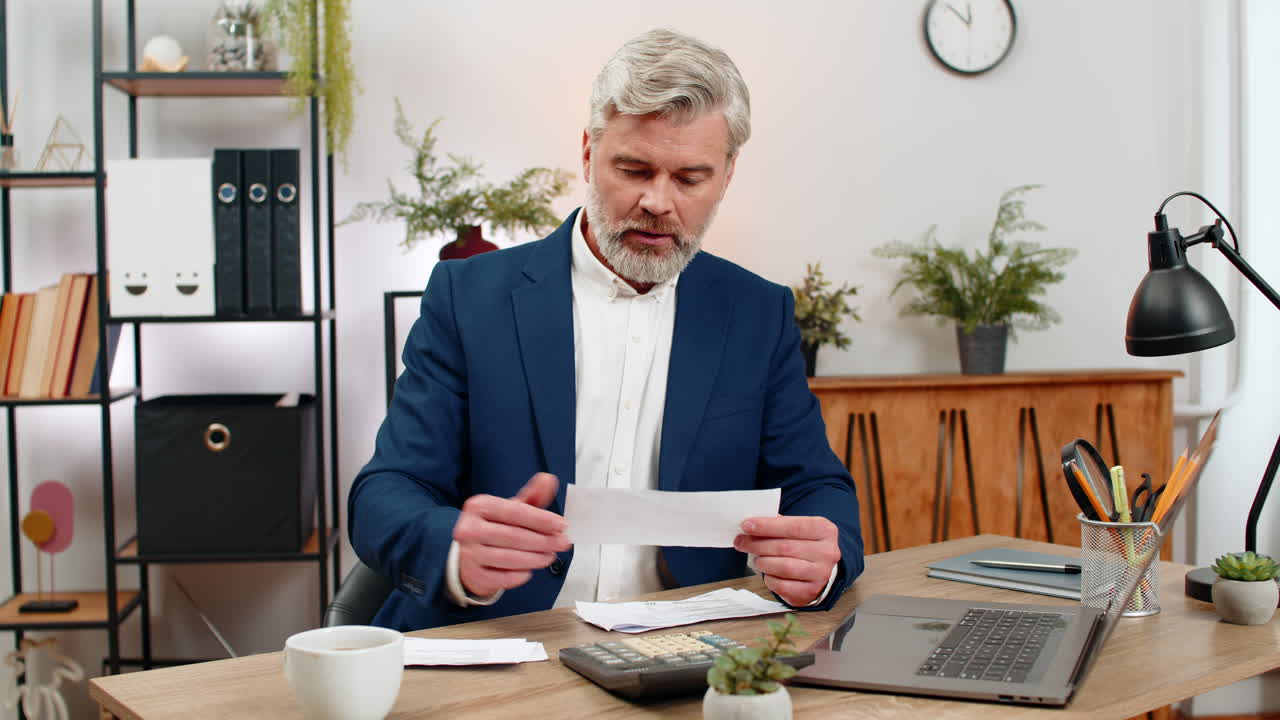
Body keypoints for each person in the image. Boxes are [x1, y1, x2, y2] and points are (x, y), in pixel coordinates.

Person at [349, 28, 863, 632]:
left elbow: (819, 488)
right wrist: (458, 549)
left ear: (727, 174)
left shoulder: (758, 312)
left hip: (691, 649)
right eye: (634, 168)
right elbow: (386, 491)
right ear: (589, 152)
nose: (657, 201)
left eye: (690, 178)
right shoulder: (469, 298)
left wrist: (821, 562)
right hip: (501, 642)